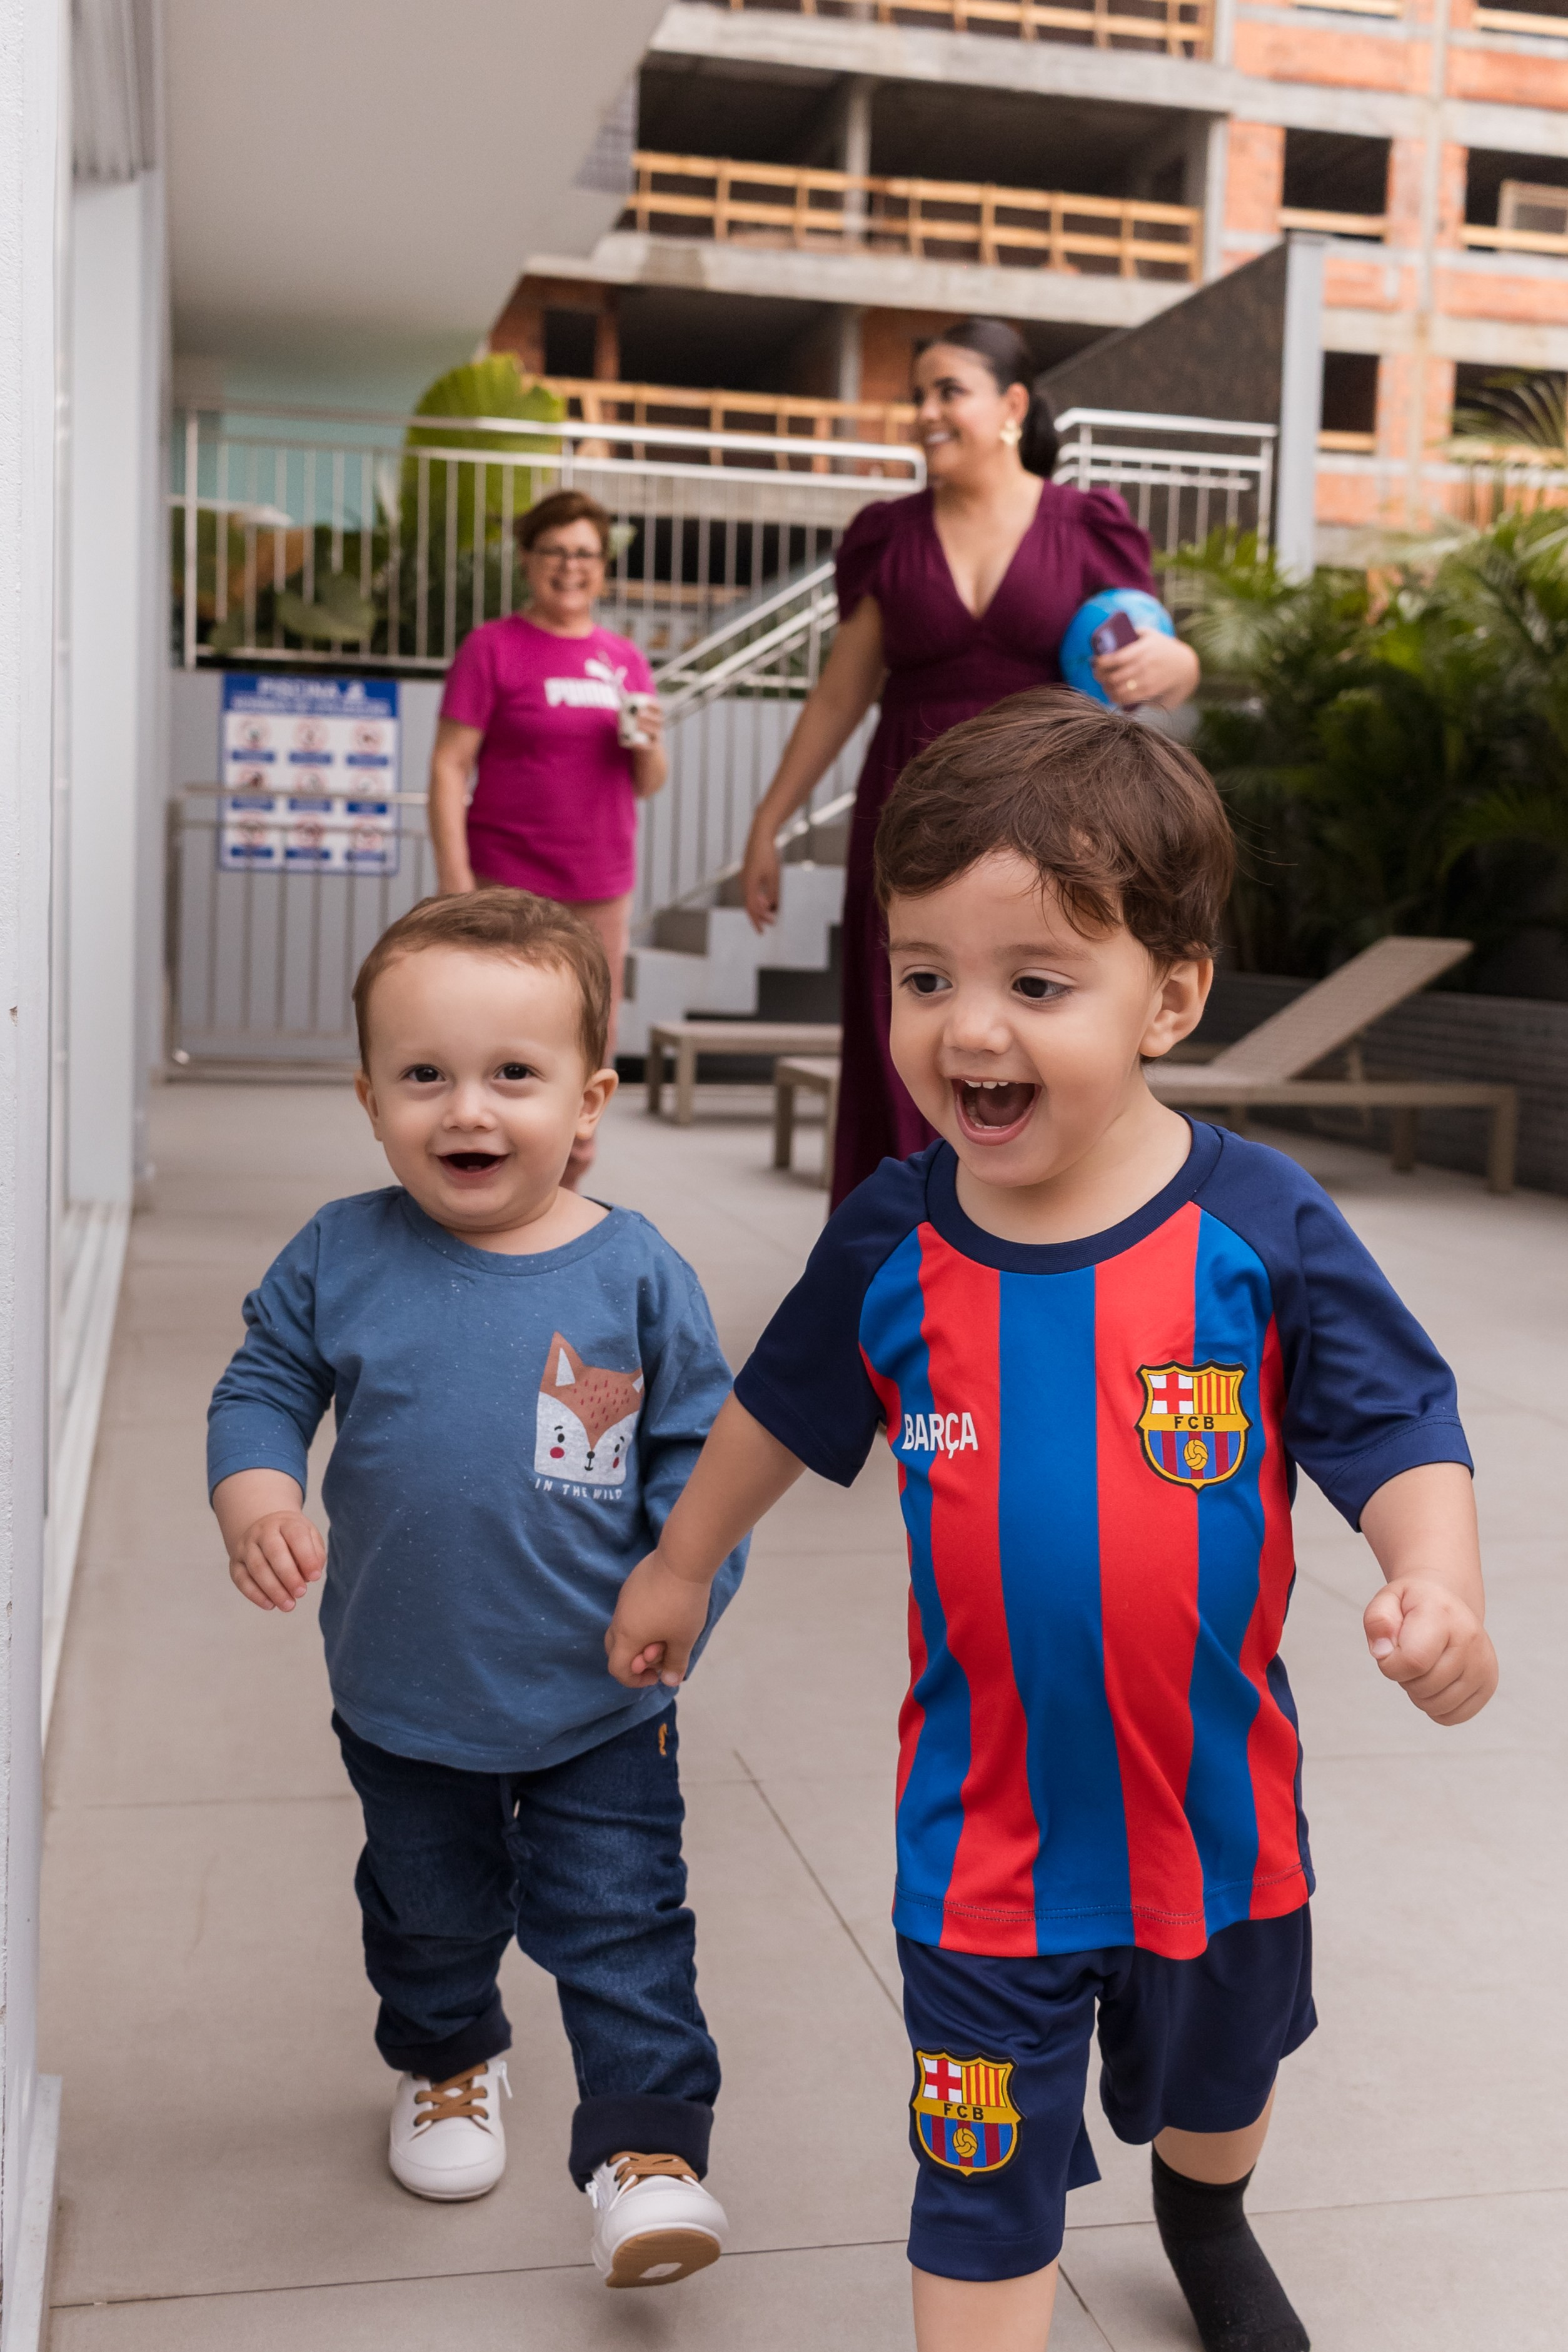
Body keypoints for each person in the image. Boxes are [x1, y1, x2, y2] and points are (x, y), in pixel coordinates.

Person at [606, 693, 1497, 2352]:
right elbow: (778, 1415)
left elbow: (1391, 1420)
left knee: (1222, 2079)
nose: (965, 1029)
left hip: (1222, 1827)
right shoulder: (894, 1239)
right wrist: (676, 1559)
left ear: (1168, 995)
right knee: (977, 2177)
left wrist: (1431, 1580)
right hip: (984, 1855)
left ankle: (1202, 2203)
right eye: (924, 975)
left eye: (1032, 982)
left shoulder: (1254, 1223)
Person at [207, 888, 741, 2291]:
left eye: (516, 1074)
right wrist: (256, 1486)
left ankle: (646, 2153)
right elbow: (264, 1382)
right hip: (405, 1692)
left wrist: (684, 1583)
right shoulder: (342, 1251)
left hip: (600, 1700)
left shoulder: (635, 1273)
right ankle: (448, 2061)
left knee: (625, 1922)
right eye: (425, 1075)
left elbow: (705, 1457)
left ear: (590, 1101)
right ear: (370, 1096)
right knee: (430, 1911)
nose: (469, 1110)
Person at [738, 318, 1200, 1207]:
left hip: (1051, 815)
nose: (925, 413)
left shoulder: (1088, 524)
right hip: (908, 811)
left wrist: (1176, 667)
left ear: (1010, 406)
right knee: (900, 1029)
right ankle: (902, 1249)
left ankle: (1037, 1232)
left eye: (948, 390)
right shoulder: (889, 534)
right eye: (918, 395)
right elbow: (841, 693)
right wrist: (770, 820)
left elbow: (1158, 650)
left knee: (1037, 1020)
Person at [428, 488, 666, 1177]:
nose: (571, 567)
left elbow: (647, 780)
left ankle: (565, 1174)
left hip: (601, 884)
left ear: (604, 565)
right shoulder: (492, 648)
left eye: (586, 554)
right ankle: (489, 1170)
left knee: (589, 1038)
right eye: (556, 551)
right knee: (499, 1033)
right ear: (528, 559)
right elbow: (448, 766)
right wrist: (456, 886)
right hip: (507, 883)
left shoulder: (624, 659)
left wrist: (651, 744)